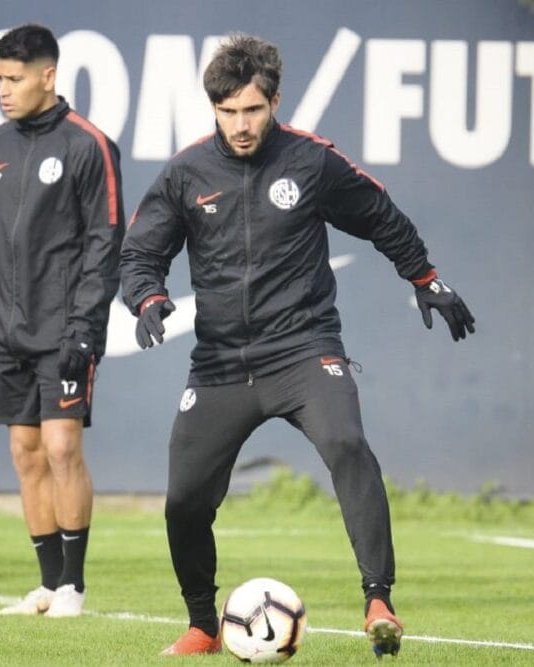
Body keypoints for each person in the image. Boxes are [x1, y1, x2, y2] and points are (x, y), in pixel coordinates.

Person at [120, 34, 475, 658]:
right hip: (221, 364)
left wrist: (425, 277)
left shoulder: (312, 162)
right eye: (227, 112)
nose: (240, 125)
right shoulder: (186, 173)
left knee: (346, 443)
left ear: (274, 101)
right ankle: (205, 623)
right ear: (214, 109)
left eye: (252, 110)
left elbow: (380, 216)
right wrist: (146, 297)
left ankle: (378, 599)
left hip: (304, 350)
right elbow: (141, 252)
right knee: (182, 502)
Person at [0, 24, 124, 617]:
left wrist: (86, 330)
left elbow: (104, 242)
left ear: (48, 76)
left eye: (14, 79)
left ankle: (74, 585)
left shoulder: (88, 145)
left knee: (61, 446)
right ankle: (47, 584)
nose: (4, 89)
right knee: (25, 451)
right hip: (10, 331)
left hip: (66, 329)